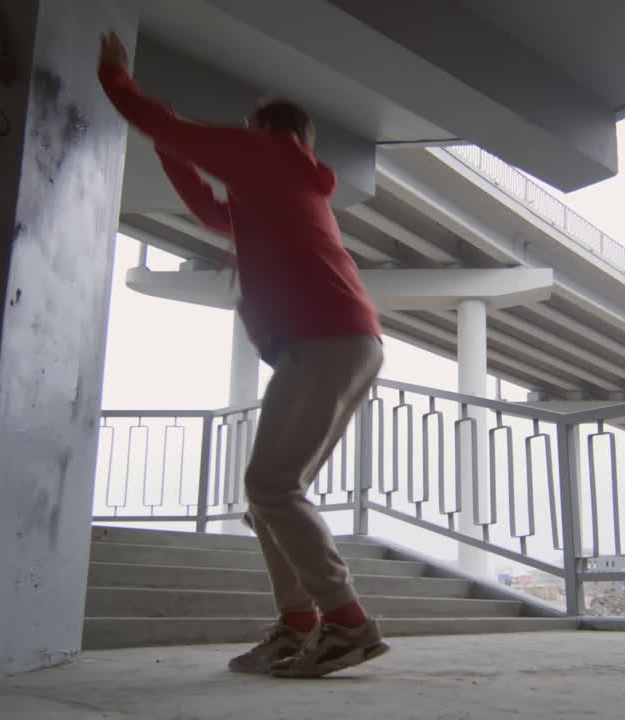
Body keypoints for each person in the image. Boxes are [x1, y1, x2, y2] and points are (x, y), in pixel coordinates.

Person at [97, 31, 388, 678]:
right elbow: (211, 215)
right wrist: (170, 151)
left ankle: (346, 623)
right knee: (272, 495)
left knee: (271, 487)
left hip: (324, 339)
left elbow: (157, 119)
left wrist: (115, 75)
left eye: (247, 130)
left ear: (260, 129)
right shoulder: (286, 183)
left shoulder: (263, 155)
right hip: (341, 341)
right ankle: (297, 626)